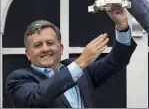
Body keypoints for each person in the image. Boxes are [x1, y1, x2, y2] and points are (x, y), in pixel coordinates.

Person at [6, 6, 136, 108]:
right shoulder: (18, 79)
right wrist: (81, 62)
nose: (45, 49)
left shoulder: (80, 70)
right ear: (28, 54)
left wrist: (122, 26)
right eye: (38, 45)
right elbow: (36, 98)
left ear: (61, 48)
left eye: (50, 43)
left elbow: (116, 61)